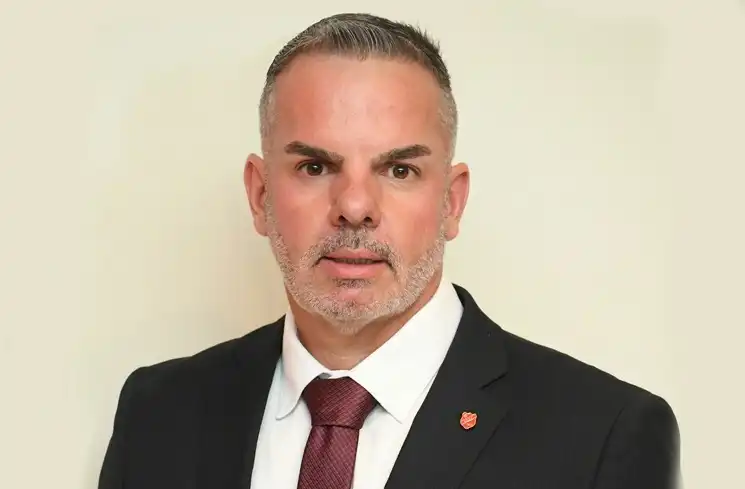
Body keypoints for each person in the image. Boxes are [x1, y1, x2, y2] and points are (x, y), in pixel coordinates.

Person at [97, 12, 680, 489]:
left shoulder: (604, 438)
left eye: (399, 170)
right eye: (315, 166)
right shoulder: (158, 415)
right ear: (260, 195)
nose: (355, 206)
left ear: (451, 202)